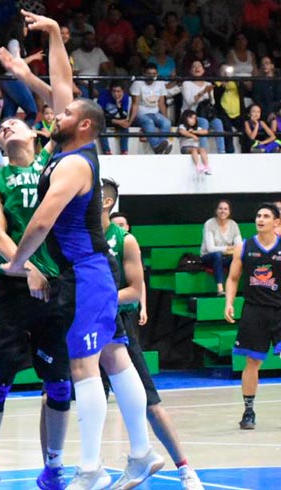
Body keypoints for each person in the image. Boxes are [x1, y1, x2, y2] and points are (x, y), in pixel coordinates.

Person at [5, 92, 165, 487]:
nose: (56, 114)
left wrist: (18, 263)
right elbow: (61, 82)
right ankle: (142, 452)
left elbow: (41, 223)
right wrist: (37, 56)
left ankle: (91, 469)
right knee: (115, 357)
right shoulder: (73, 152)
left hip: (83, 275)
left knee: (83, 367)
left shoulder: (74, 164)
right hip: (94, 271)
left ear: (84, 125)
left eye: (66, 113)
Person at [0, 10, 74, 490]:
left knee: (59, 384)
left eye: (15, 123)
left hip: (56, 287)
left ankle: (53, 465)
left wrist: (25, 70)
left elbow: (64, 99)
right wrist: (27, 266)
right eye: (1, 129)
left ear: (36, 133)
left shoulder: (53, 163)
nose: (6, 128)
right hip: (15, 288)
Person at [101, 183, 205, 490]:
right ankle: (94, 467)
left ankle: (185, 469)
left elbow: (135, 290)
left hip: (118, 324)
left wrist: (98, 299)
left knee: (149, 401)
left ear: (106, 201)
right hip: (87, 324)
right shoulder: (80, 234)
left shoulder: (124, 240)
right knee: (74, 398)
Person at [225, 202, 281, 432]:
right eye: (258, 215)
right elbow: (233, 278)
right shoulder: (244, 246)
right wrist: (229, 302)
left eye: (266, 216)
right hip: (254, 310)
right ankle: (248, 410)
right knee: (252, 362)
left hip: (279, 310)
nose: (261, 219)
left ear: (276, 222)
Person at [129, 63, 174, 155]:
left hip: (155, 113)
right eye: (149, 74)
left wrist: (166, 118)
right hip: (141, 114)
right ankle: (157, 146)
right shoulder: (138, 83)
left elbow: (161, 104)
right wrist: (130, 121)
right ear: (144, 73)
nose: (151, 76)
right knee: (149, 122)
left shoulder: (160, 83)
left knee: (167, 123)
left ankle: (159, 148)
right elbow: (135, 104)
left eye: (154, 74)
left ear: (157, 74)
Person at [202, 200, 243, 296]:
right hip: (208, 257)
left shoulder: (233, 225)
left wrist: (232, 250)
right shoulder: (209, 224)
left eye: (225, 209)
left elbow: (239, 246)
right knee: (217, 255)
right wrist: (227, 249)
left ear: (229, 211)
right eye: (220, 208)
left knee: (239, 257)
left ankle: (235, 288)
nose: (223, 211)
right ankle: (220, 289)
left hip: (225, 257)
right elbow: (210, 249)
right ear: (216, 211)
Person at [178, 110, 210, 176]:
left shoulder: (196, 128)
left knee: (202, 149)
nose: (193, 120)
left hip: (195, 147)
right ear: (185, 118)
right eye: (191, 118)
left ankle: (206, 166)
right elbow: (182, 131)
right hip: (185, 147)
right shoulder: (182, 126)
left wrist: (194, 132)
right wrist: (192, 136)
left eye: (195, 118)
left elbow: (205, 131)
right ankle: (198, 165)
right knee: (194, 150)